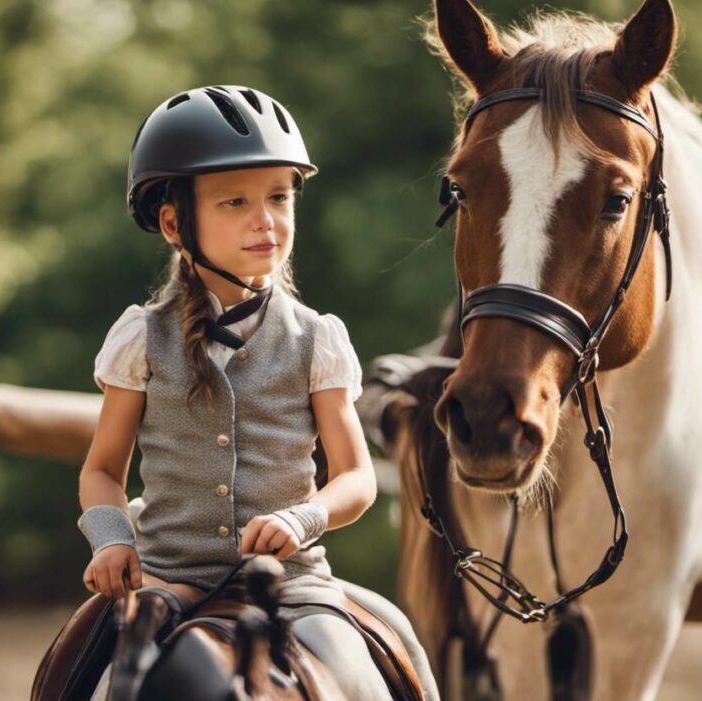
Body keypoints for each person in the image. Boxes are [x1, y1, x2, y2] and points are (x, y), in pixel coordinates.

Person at [76, 85, 437, 700]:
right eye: (235, 202)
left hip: (294, 582)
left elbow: (356, 477)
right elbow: (101, 471)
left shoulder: (317, 337)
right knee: (89, 674)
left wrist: (305, 517)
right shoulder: (141, 335)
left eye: (278, 196)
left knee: (392, 653)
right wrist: (111, 539)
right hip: (171, 578)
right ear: (173, 222)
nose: (264, 219)